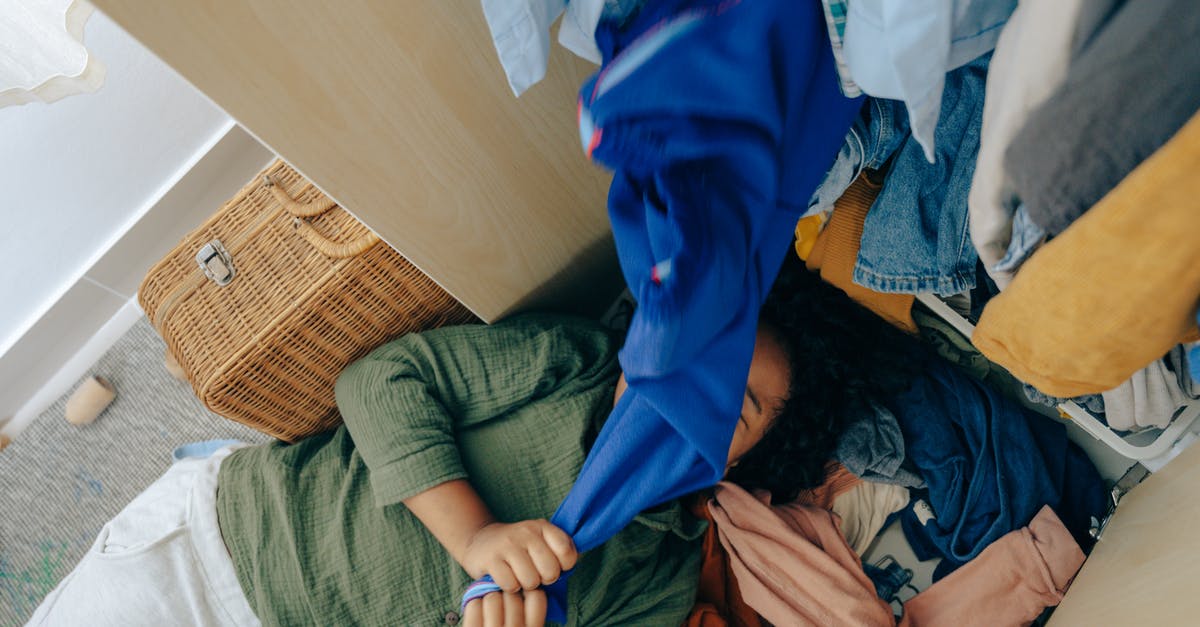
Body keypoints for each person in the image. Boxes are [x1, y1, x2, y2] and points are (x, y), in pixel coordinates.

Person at [28, 264, 915, 627]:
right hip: (223, 551)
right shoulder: (568, 364)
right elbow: (376, 386)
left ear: (741, 463)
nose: (708, 396)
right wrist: (476, 536)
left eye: (744, 409)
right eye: (708, 361)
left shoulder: (658, 578)